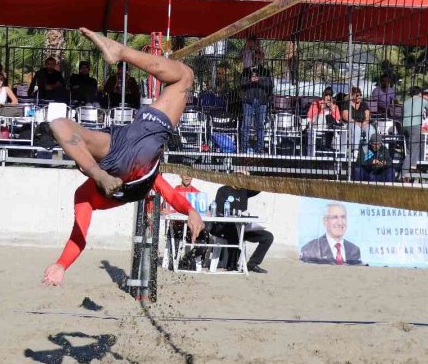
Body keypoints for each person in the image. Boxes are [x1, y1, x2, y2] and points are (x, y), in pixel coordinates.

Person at [42, 28, 204, 287]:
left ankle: (97, 172)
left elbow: (79, 235)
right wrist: (190, 210)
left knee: (59, 123)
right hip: (134, 152)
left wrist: (62, 264)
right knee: (184, 75)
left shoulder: (85, 195)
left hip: (122, 144)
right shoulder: (131, 184)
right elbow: (171, 195)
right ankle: (121, 52)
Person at [212, 184, 273, 273]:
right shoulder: (223, 190)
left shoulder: (245, 191)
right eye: (239, 174)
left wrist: (250, 178)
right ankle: (231, 264)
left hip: (242, 227)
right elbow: (219, 210)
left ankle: (252, 263)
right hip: (225, 227)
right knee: (234, 232)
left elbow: (260, 186)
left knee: (268, 237)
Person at [240, 50, 273, 154]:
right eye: (255, 58)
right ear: (252, 58)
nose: (257, 60)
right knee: (246, 125)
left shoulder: (266, 72)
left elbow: (270, 85)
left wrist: (259, 80)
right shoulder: (246, 71)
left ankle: (259, 149)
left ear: (261, 59)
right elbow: (241, 84)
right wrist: (250, 80)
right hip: (248, 101)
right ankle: (244, 148)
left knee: (260, 125)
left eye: (259, 58)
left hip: (261, 101)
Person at [306, 87, 342, 152]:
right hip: (316, 124)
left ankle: (327, 146)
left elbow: (338, 120)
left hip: (330, 126)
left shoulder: (335, 107)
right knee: (324, 117)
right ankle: (324, 146)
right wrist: (321, 109)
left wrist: (332, 109)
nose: (328, 97)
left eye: (330, 95)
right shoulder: (316, 103)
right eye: (326, 95)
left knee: (332, 122)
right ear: (323, 96)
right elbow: (309, 116)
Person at [400, 87, 425, 171]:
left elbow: (402, 114)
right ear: (420, 94)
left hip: (404, 126)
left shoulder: (405, 102)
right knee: (411, 151)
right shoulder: (423, 101)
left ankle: (413, 165)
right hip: (414, 126)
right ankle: (404, 173)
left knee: (415, 144)